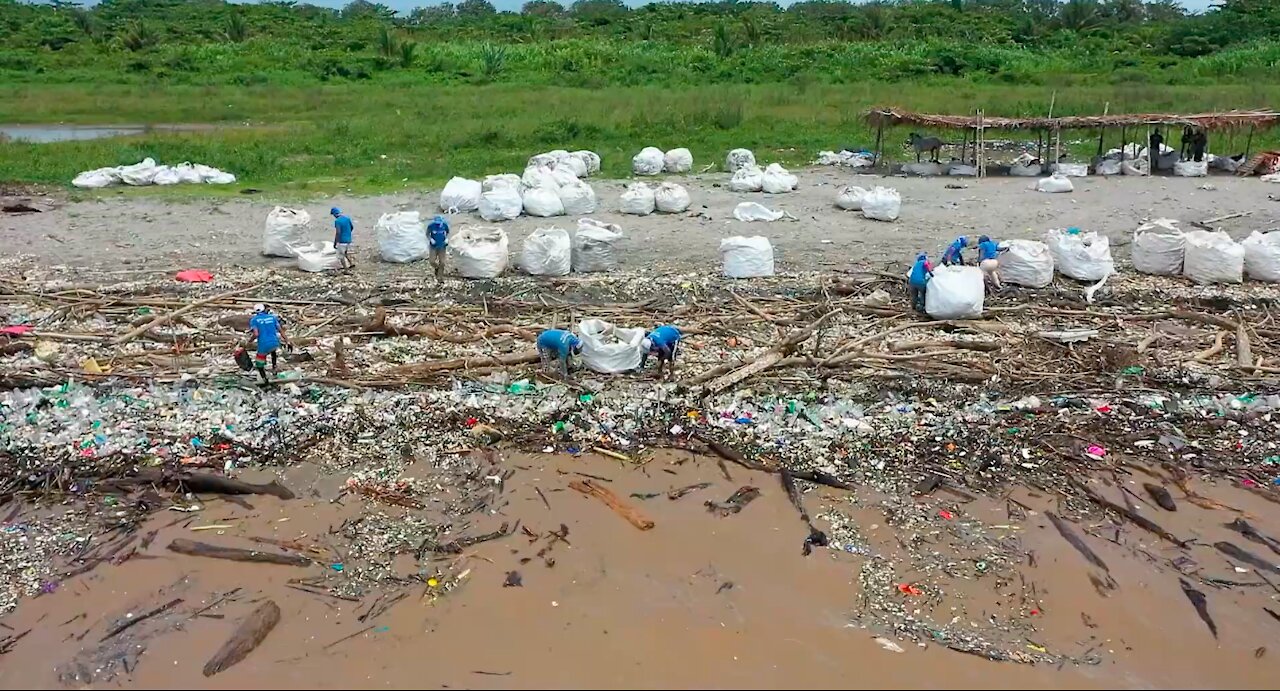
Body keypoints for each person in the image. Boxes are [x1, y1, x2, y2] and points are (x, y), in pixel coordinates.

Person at [245, 303, 289, 384]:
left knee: (259, 364)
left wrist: (249, 341)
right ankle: (274, 368)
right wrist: (287, 341)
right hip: (275, 343)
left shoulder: (254, 320)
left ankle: (265, 380)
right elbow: (280, 330)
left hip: (263, 344)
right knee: (273, 351)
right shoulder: (272, 318)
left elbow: (256, 334)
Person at [428, 215, 450, 281]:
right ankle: (437, 268)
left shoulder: (444, 225)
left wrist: (446, 238)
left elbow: (447, 232)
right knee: (432, 261)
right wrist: (431, 239)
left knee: (442, 262)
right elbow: (427, 234)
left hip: (442, 246)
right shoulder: (431, 226)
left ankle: (440, 277)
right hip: (433, 246)